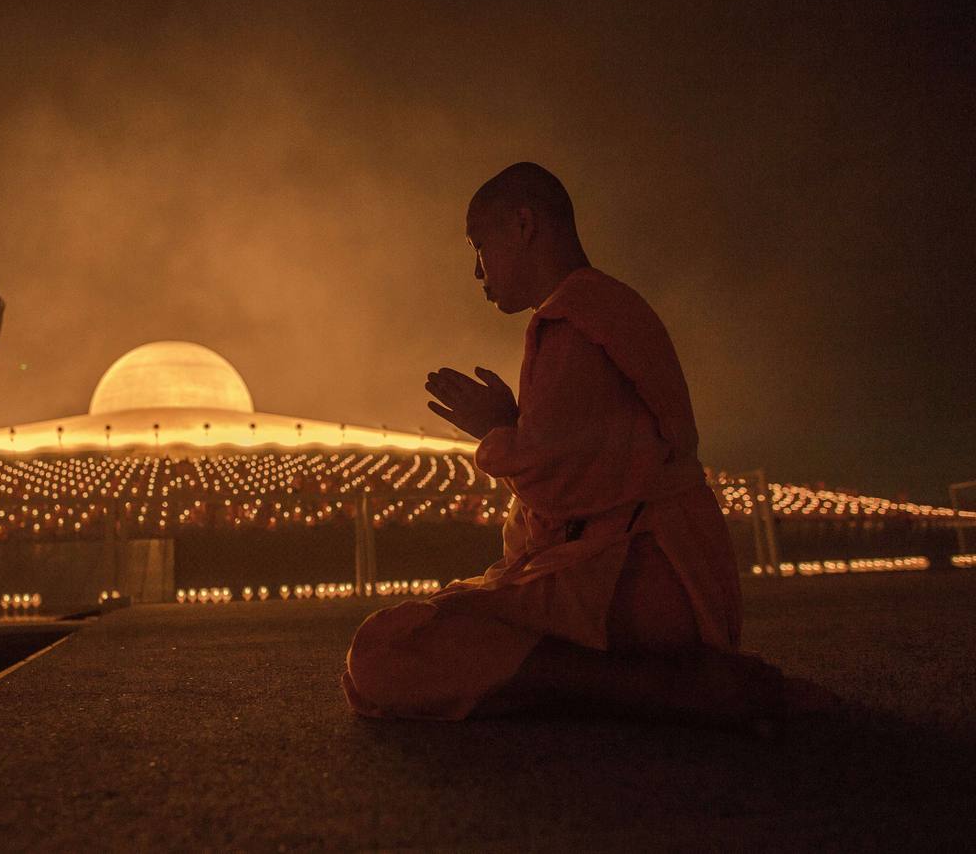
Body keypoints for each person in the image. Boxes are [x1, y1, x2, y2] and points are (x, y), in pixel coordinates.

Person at [341, 162, 831, 731]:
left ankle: (658, 689)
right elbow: (598, 455)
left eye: (479, 245)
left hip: (632, 584)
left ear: (524, 225)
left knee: (382, 653)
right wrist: (514, 423)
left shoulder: (573, 319)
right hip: (668, 576)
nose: (477, 271)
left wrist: (498, 433)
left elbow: (565, 488)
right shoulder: (605, 308)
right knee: (404, 650)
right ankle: (631, 686)